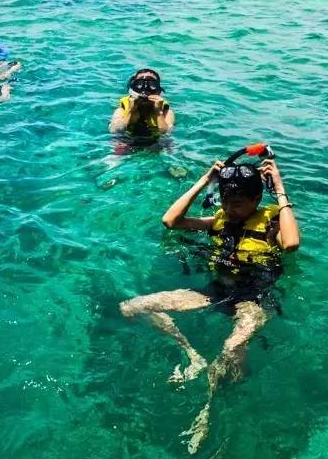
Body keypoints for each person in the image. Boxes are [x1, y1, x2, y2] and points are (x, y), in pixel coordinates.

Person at [119, 152, 300, 452]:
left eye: (237, 203)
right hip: (214, 292)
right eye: (225, 202)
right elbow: (170, 221)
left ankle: (211, 409)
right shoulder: (218, 220)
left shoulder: (272, 224)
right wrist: (205, 180)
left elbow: (291, 244)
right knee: (133, 306)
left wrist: (279, 188)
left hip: (253, 301)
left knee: (229, 353)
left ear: (256, 200)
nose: (229, 209)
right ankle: (192, 354)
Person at [108, 69, 175, 141]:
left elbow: (166, 134)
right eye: (140, 84)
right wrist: (130, 111)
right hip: (128, 140)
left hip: (155, 141)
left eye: (152, 84)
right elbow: (115, 131)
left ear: (158, 91)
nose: (145, 87)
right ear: (133, 88)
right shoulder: (122, 110)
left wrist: (158, 112)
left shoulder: (166, 112)